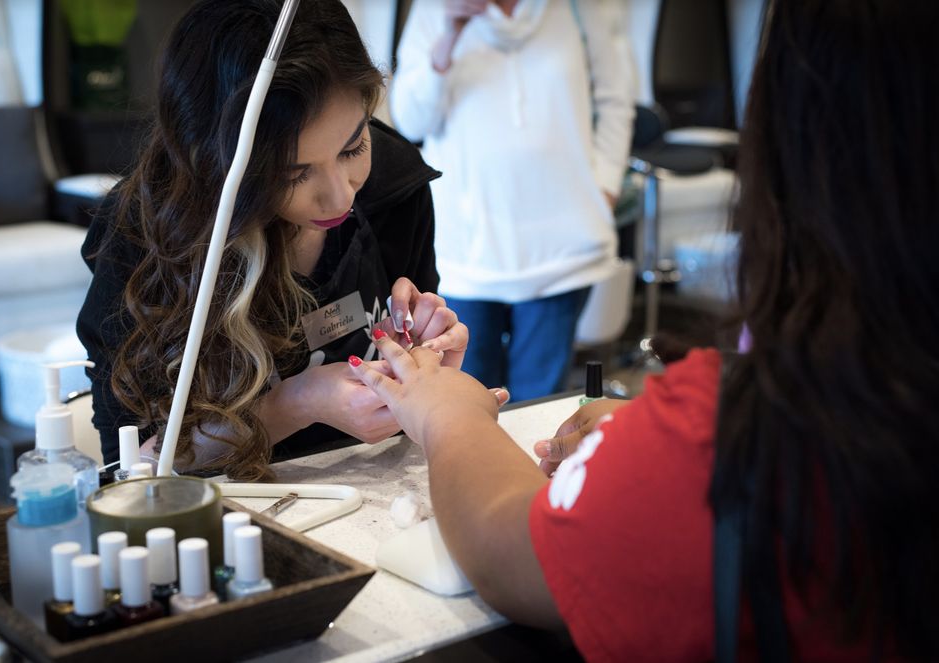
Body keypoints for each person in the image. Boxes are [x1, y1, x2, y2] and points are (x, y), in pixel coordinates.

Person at [349, 0, 939, 659]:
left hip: (559, 254)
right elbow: (415, 112)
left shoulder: (736, 439)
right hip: (481, 246)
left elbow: (508, 547)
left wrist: (448, 415)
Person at [77, 0, 472, 481]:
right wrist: (295, 404)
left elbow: (416, 394)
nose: (340, 197)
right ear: (219, 164)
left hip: (376, 493)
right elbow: (133, 471)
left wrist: (424, 363)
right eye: (292, 174)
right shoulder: (144, 233)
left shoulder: (393, 185)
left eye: (353, 147)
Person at [389, 0, 634, 401]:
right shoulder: (436, 9)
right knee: (466, 400)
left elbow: (616, 100)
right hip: (467, 248)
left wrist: (605, 186)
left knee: (541, 405)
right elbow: (411, 121)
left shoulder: (581, 7)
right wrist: (449, 34)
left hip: (560, 249)